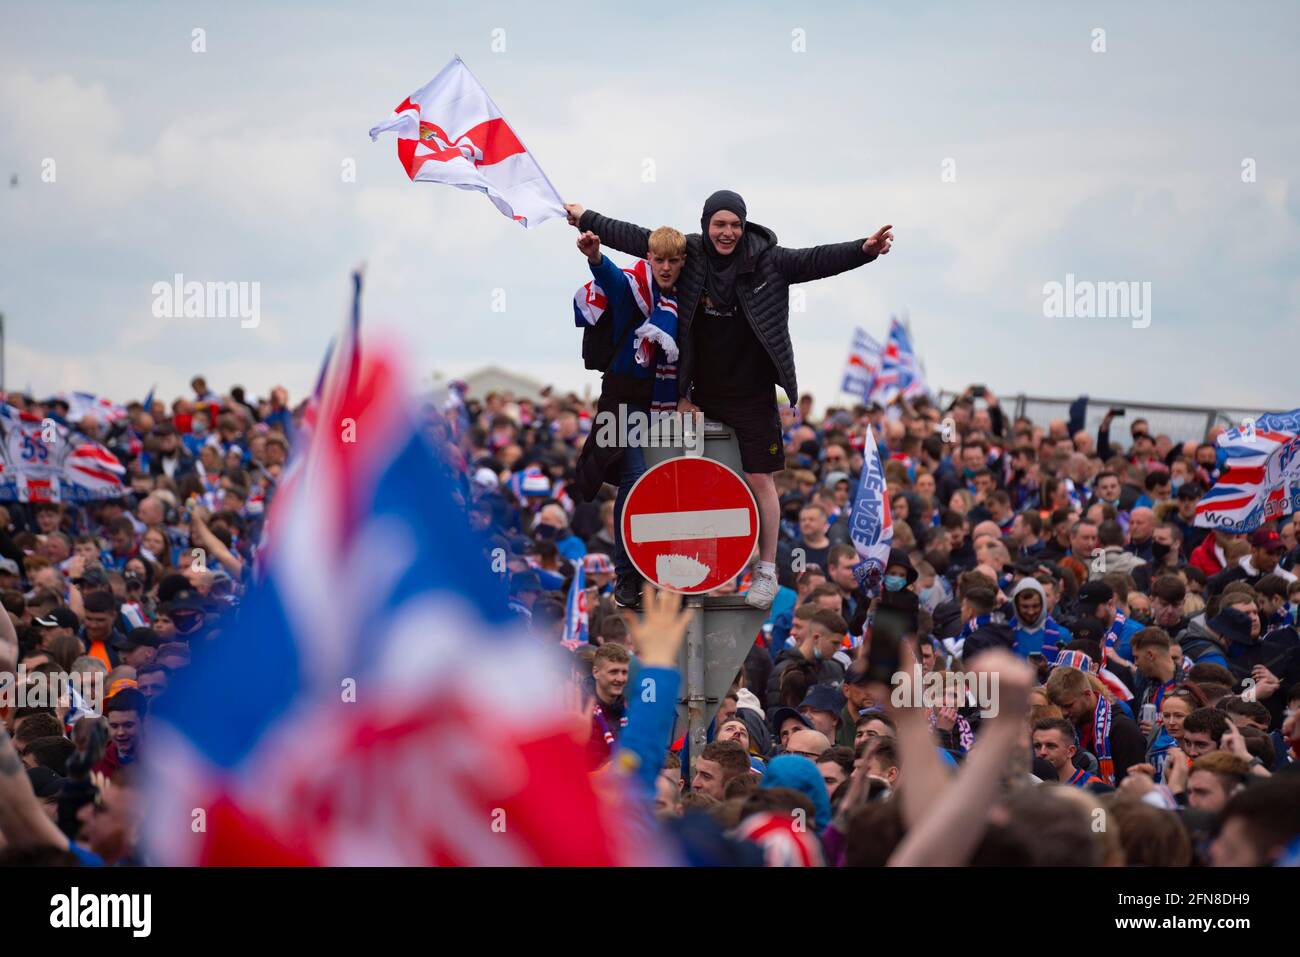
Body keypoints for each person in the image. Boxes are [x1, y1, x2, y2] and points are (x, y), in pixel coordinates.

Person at [566, 192, 894, 610]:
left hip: (753, 393)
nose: (728, 233)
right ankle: (661, 572)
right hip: (698, 395)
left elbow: (815, 260)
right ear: (706, 225)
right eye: (719, 224)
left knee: (761, 480)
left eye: (735, 225)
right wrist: (585, 219)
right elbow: (638, 239)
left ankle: (766, 571)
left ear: (744, 226)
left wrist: (863, 251)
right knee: (665, 480)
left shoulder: (769, 260)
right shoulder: (691, 255)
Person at [571, 227, 687, 608]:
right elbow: (611, 279)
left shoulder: (689, 299)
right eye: (659, 260)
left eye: (674, 261)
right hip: (626, 401)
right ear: (649, 259)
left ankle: (668, 569)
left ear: (684, 262)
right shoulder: (634, 288)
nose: (666, 268)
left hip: (668, 402)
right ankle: (627, 574)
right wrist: (595, 257)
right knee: (634, 479)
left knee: (670, 486)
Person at [1031, 717, 1103, 788]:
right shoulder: (1027, 784)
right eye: (1037, 746)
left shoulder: (1093, 787)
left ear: (1070, 751)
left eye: (1051, 746)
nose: (1042, 752)